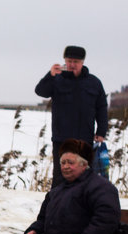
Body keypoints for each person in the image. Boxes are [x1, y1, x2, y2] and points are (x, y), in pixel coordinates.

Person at [34, 46, 108, 186]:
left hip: (84, 140)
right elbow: (40, 91)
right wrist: (49, 75)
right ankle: (56, 206)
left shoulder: (94, 82)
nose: (72, 65)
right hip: (61, 139)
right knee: (60, 177)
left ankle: (82, 206)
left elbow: (101, 108)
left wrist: (101, 131)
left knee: (84, 176)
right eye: (69, 61)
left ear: (82, 62)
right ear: (65, 61)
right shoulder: (56, 79)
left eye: (76, 61)